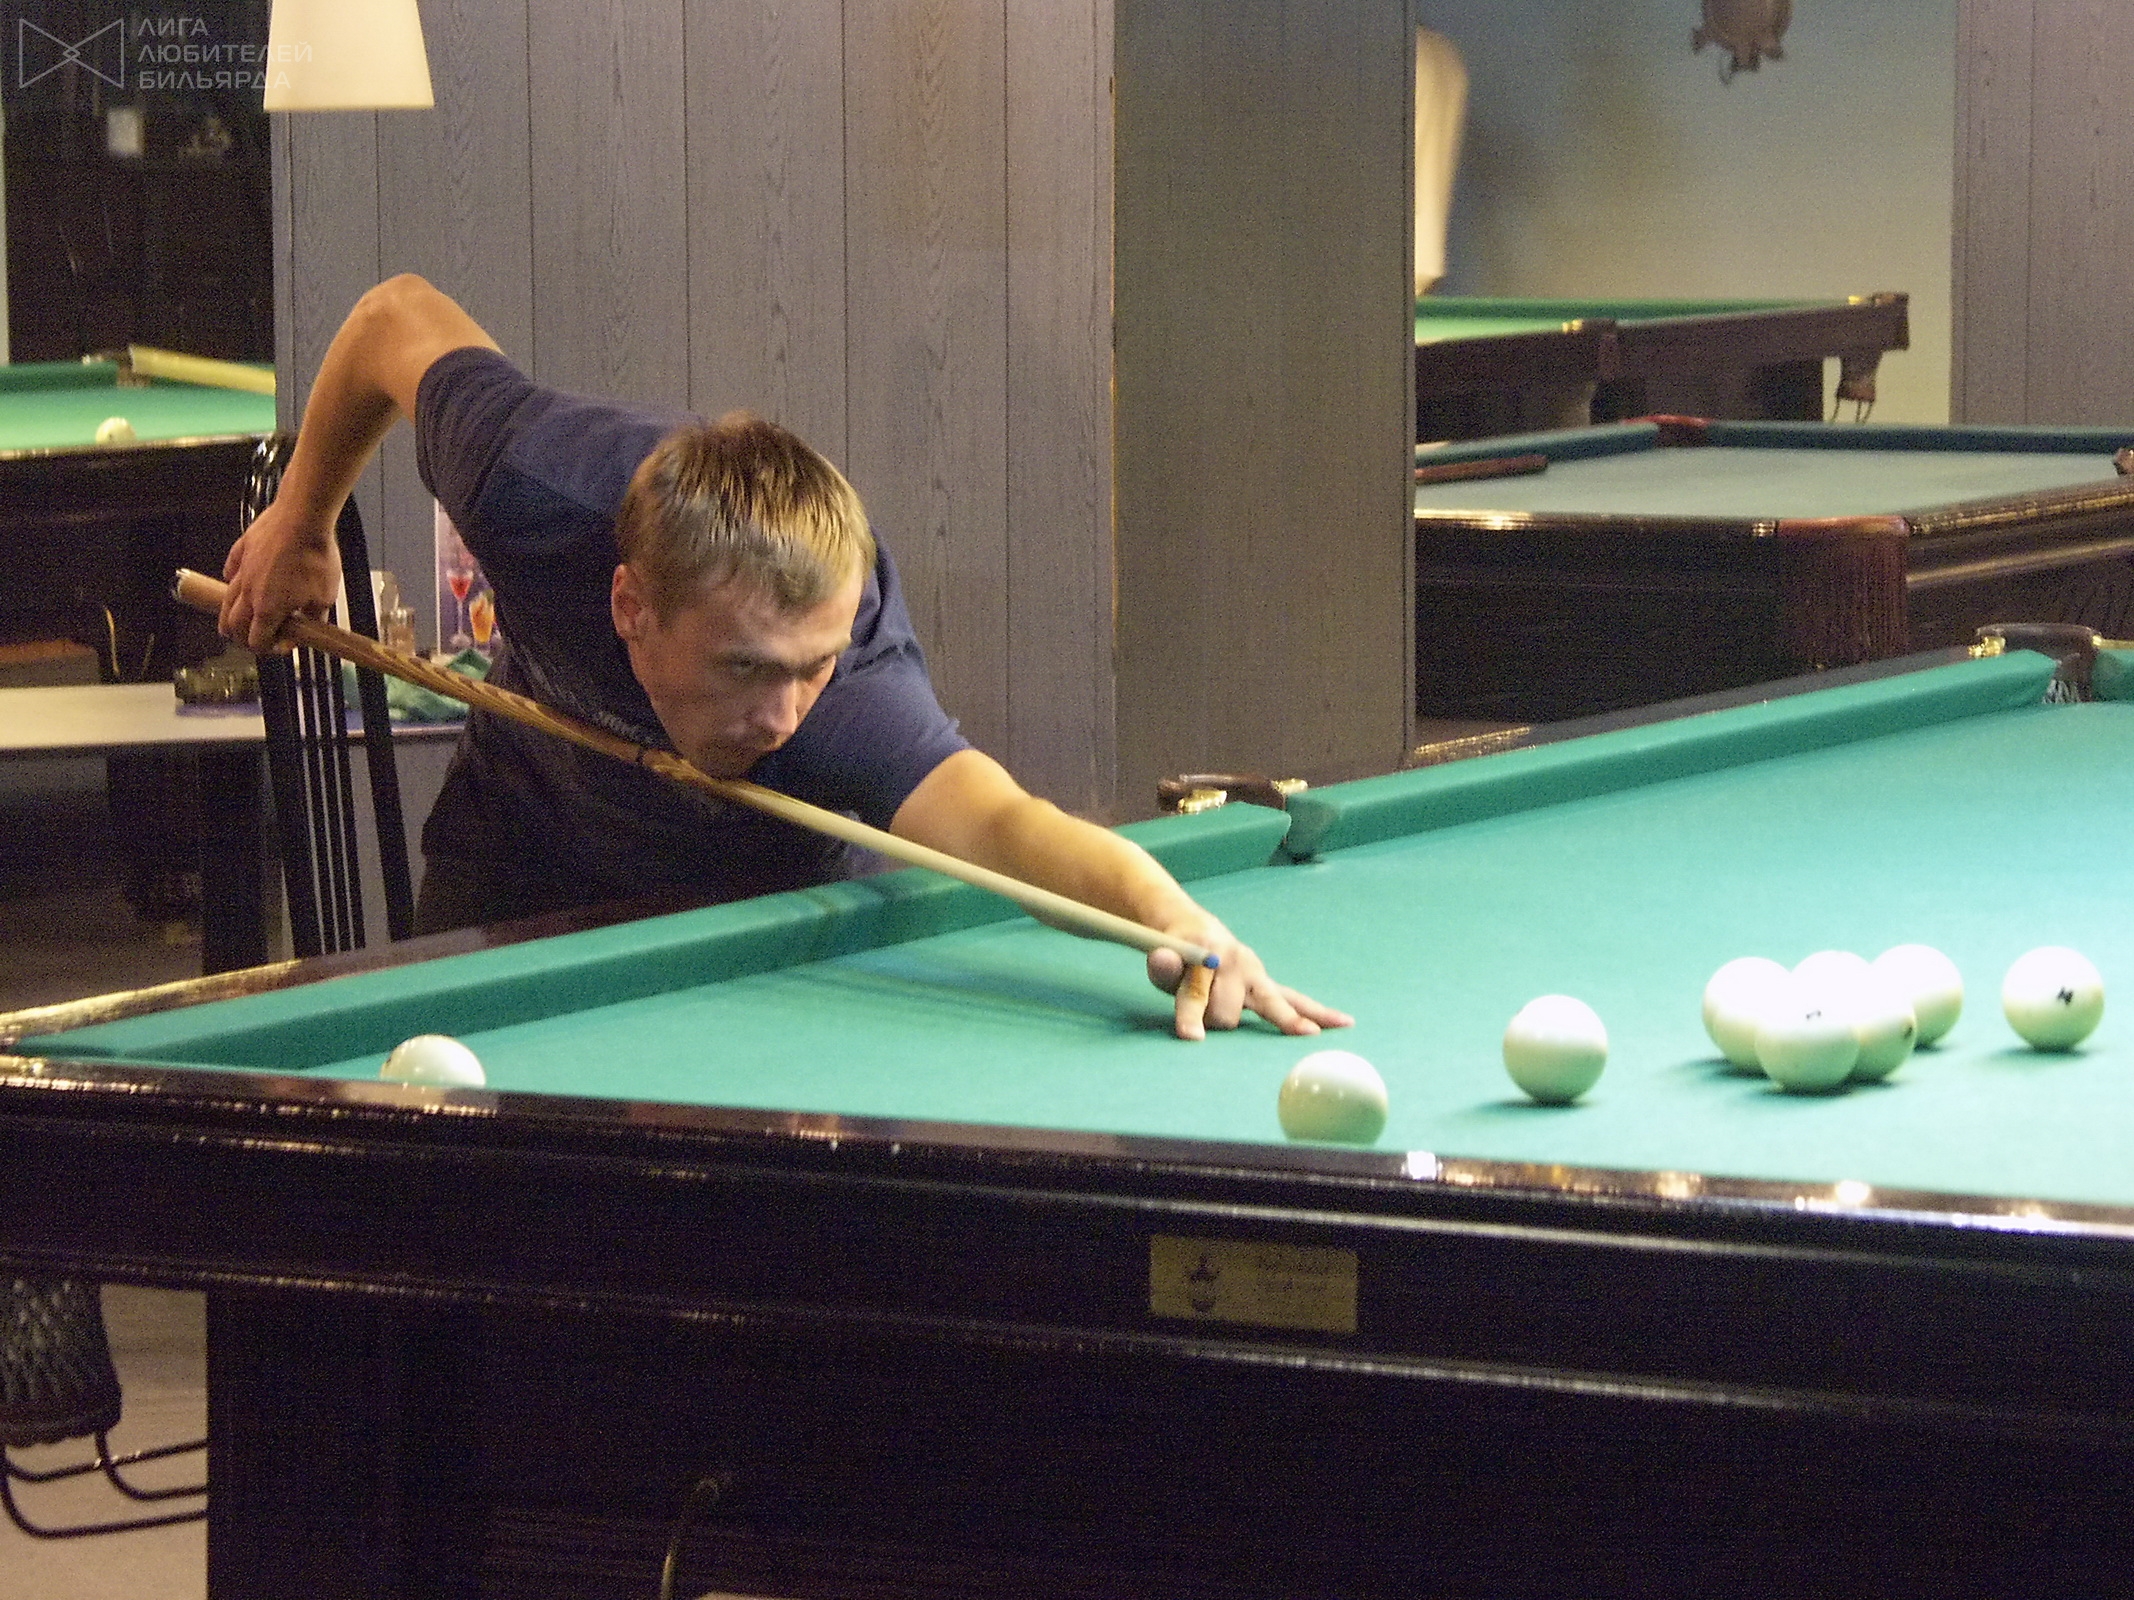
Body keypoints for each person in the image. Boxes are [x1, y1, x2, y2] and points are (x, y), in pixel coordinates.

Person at [220, 275, 1350, 1042]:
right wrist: (304, 520)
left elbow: (1007, 826)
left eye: (811, 668)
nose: (783, 713)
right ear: (630, 605)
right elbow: (394, 317)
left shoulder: (846, 692)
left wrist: (1174, 917)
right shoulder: (533, 487)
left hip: (761, 900)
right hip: (524, 846)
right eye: (746, 669)